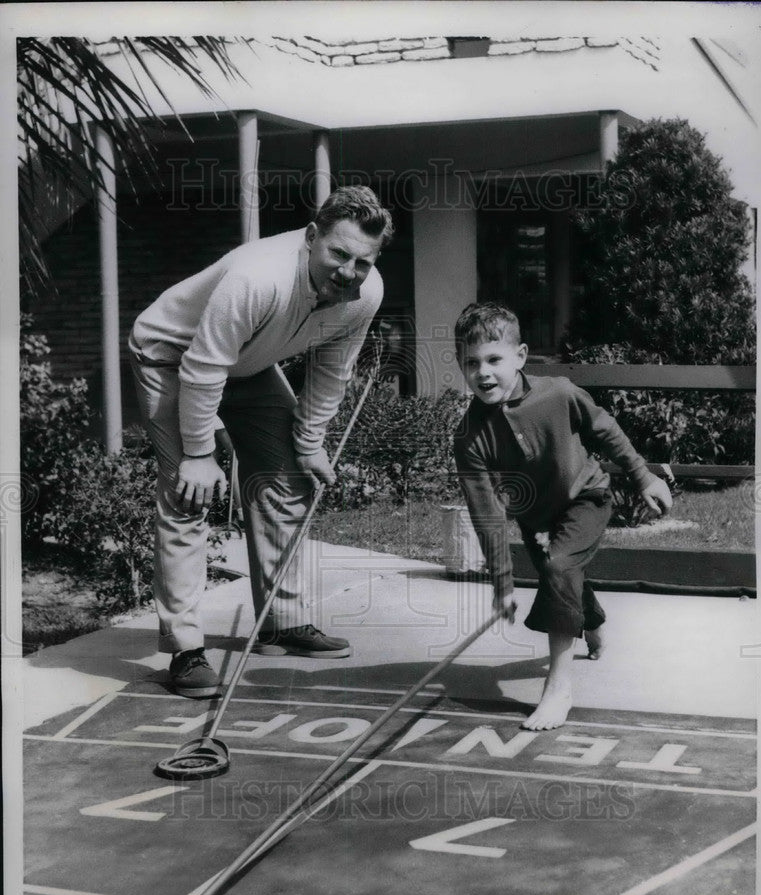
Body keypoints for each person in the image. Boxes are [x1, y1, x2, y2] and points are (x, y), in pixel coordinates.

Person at [130, 186, 393, 698]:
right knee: (188, 495)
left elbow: (332, 372)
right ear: (311, 237)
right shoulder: (258, 277)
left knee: (286, 478)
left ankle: (282, 622)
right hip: (171, 358)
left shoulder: (366, 293)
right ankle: (185, 649)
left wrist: (310, 441)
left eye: (362, 261)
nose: (347, 271)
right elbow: (203, 369)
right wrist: (201, 454)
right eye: (337, 254)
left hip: (245, 364)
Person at [453, 302, 673, 730]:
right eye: (471, 362)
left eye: (494, 359)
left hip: (586, 498)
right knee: (563, 573)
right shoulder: (469, 437)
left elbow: (604, 429)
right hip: (535, 520)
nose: (483, 373)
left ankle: (558, 689)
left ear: (520, 356)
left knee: (558, 567)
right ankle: (591, 620)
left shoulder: (558, 392)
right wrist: (501, 583)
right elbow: (486, 515)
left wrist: (644, 477)